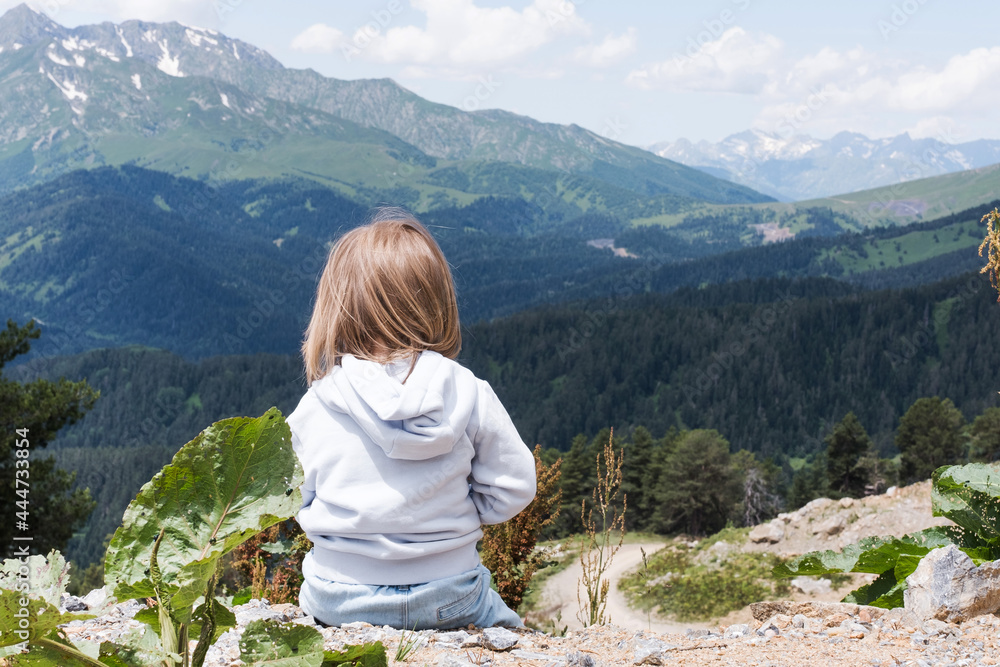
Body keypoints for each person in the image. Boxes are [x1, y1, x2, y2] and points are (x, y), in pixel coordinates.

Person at [289, 207, 537, 630]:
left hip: (337, 595)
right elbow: (516, 487)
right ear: (437, 300)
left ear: (336, 308)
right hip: (450, 591)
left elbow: (291, 494)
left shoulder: (320, 401)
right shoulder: (469, 391)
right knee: (514, 633)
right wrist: (450, 516)